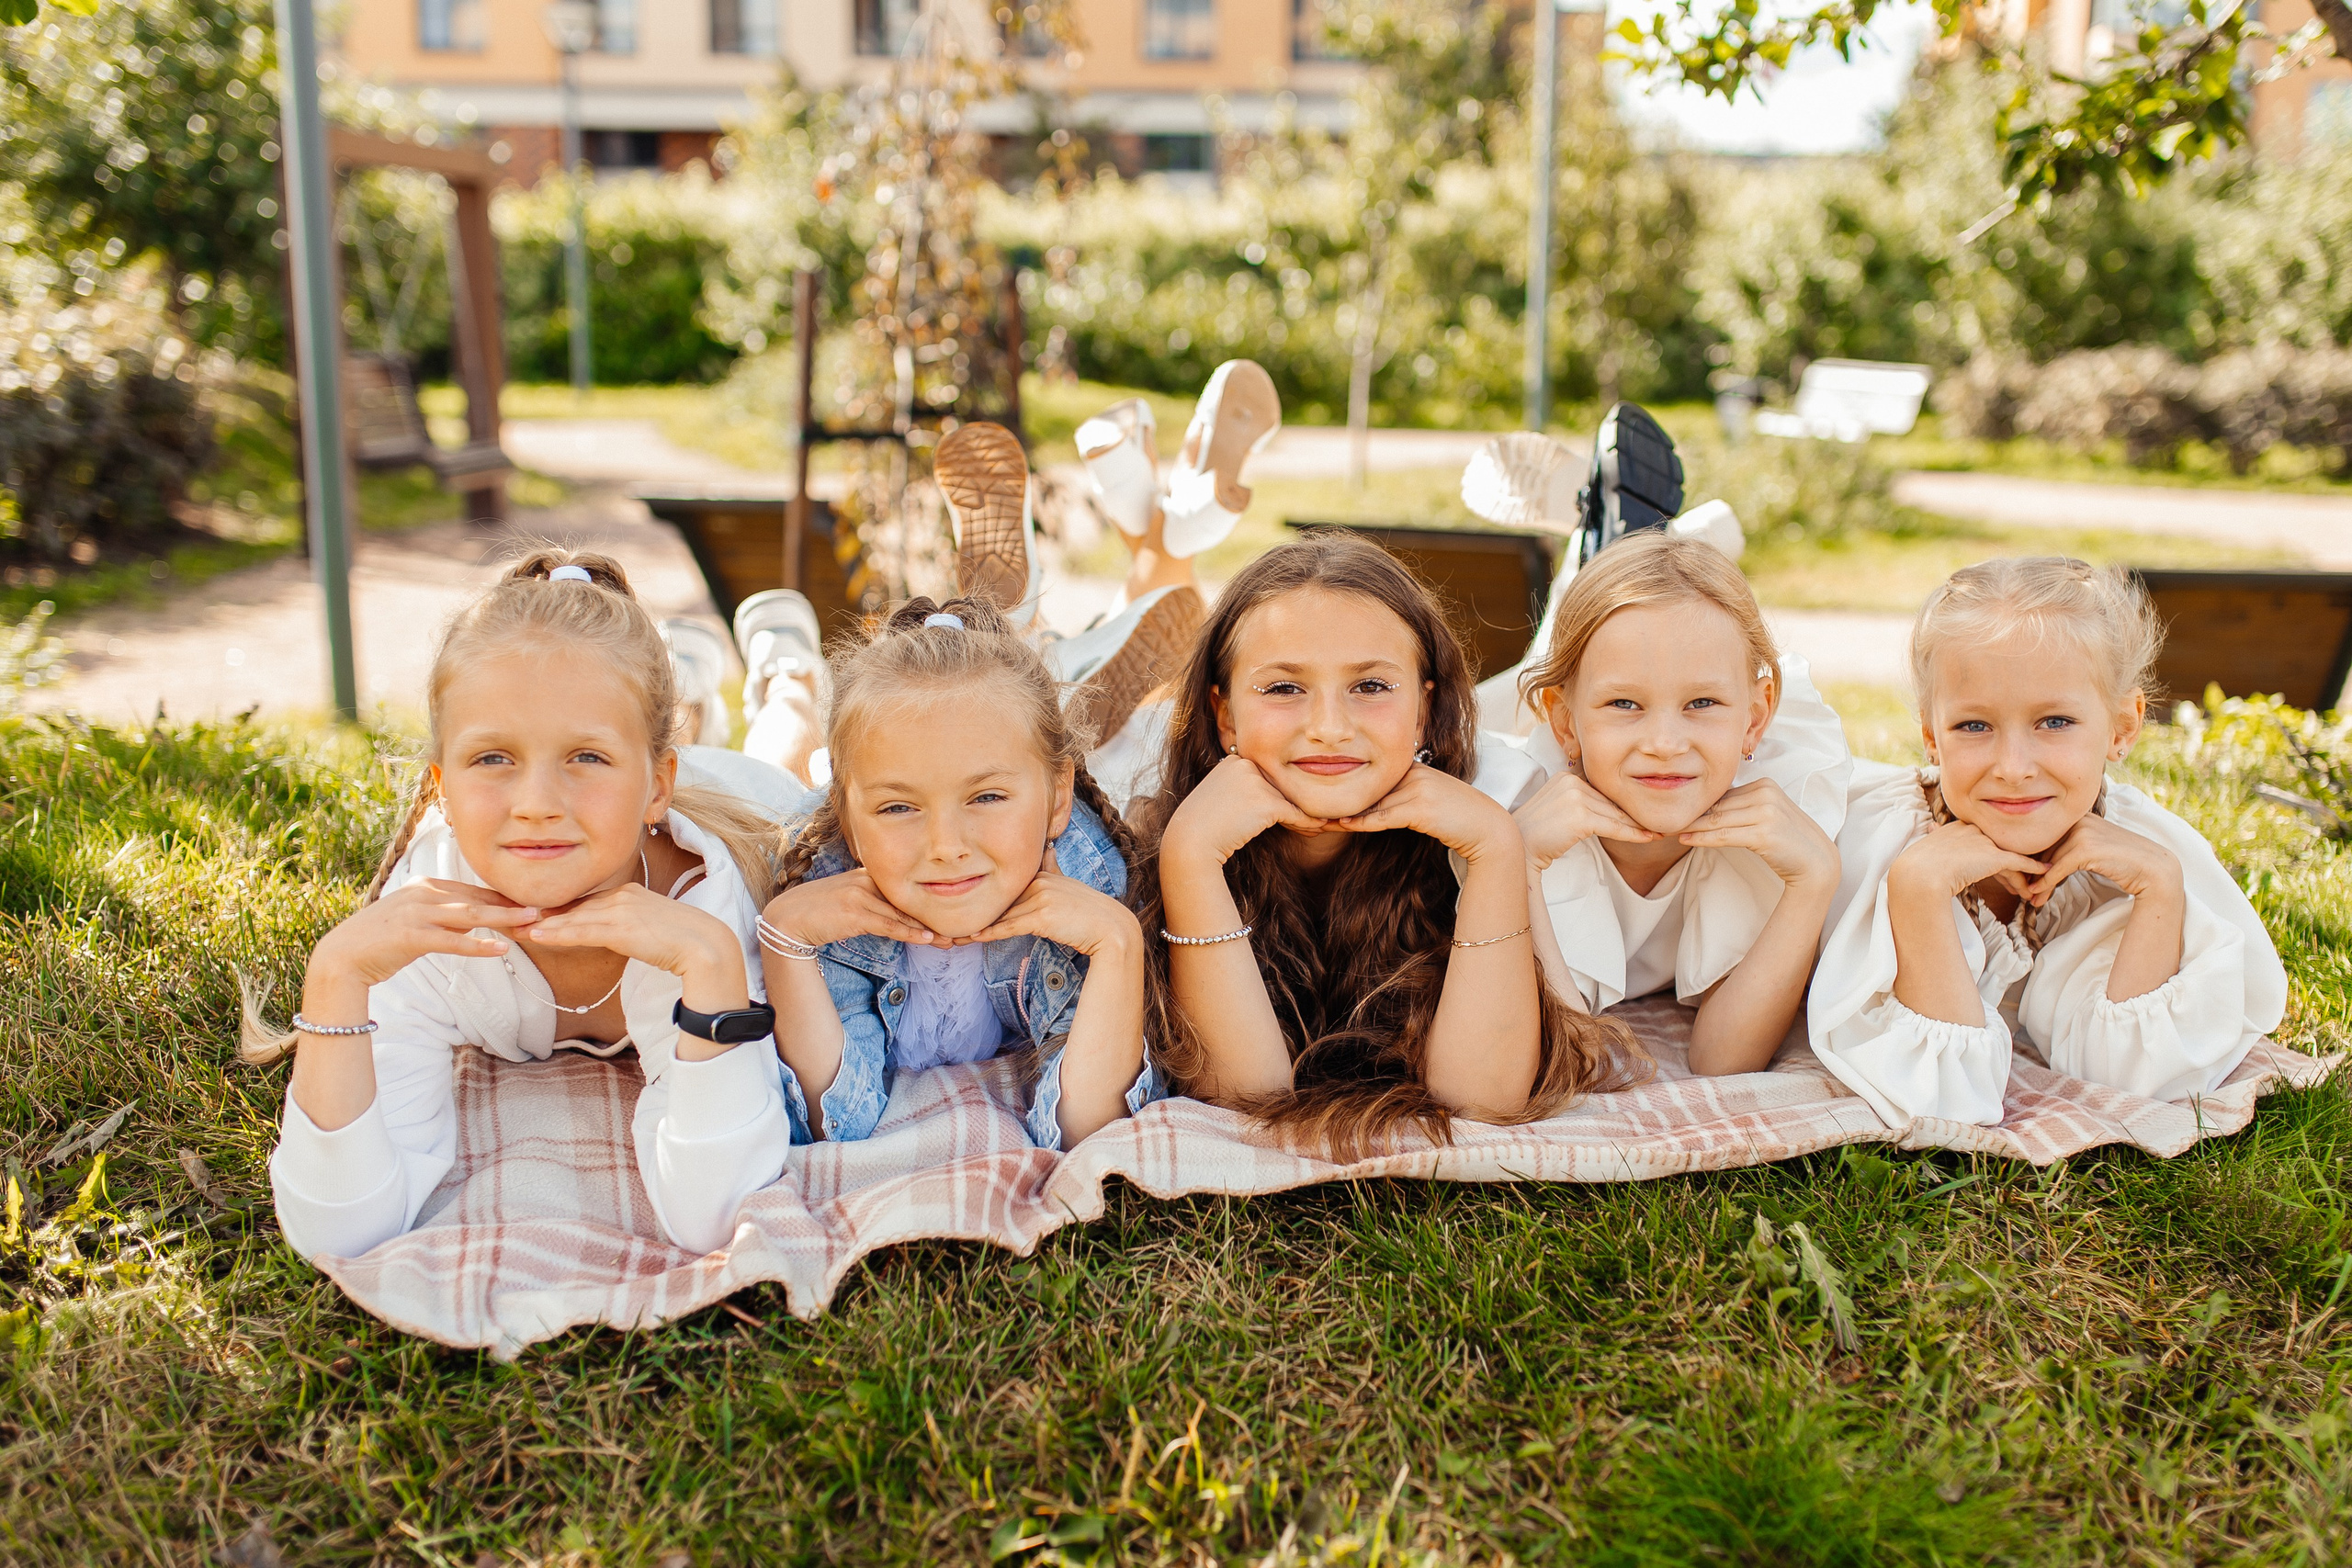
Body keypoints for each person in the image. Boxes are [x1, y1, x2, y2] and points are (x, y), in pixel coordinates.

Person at [250, 551, 796, 1260]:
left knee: (790, 749)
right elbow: (340, 1231)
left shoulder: (708, 906)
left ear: (657, 786)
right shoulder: (424, 926)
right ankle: (685, 694)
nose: (536, 805)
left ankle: (787, 680)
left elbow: (716, 1216)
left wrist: (713, 963)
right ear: (442, 789)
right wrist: (333, 977)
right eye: (493, 758)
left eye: (586, 757)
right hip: (656, 772)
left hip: (748, 796)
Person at [1131, 531, 1634, 1159]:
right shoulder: (1166, 837)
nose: (1329, 727)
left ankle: (1602, 538)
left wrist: (1496, 851)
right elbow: (1243, 1099)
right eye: (1284, 688)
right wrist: (1190, 860)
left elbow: (1484, 1098)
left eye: (1370, 686)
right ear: (1226, 715)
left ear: (1424, 712)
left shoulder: (1496, 809)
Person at [1808, 558, 2288, 1125]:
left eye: (2054, 722)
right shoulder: (1879, 848)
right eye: (1974, 726)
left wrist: (2160, 888)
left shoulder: (2140, 854)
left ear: (2122, 726)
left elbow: (2132, 1080)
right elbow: (1938, 1101)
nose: (2013, 768)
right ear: (1931, 736)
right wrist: (1917, 890)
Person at [754, 596, 1159, 1149]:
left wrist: (1118, 943)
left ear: (1058, 796)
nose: (945, 847)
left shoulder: (1090, 878)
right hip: (770, 796)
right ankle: (788, 679)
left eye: (987, 796)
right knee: (770, 759)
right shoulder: (819, 874)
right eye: (899, 807)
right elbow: (834, 1122)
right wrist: (785, 939)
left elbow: (1087, 1128)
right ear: (847, 821)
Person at [1497, 534, 1851, 1075]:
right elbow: (1568, 1058)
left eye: (1702, 702)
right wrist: (1514, 862)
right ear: (1565, 722)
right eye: (1624, 703)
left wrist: (1814, 880)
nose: (1665, 742)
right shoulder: (1517, 810)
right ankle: (1588, 537)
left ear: (1755, 718)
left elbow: (1723, 1060)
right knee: (1485, 707)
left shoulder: (1782, 809)